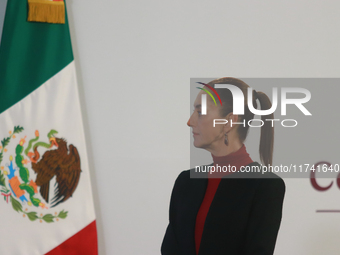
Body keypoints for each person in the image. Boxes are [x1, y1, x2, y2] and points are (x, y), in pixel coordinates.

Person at [161, 77, 285, 255]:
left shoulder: (265, 186)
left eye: (200, 112)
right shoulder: (185, 182)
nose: (190, 121)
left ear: (228, 122)